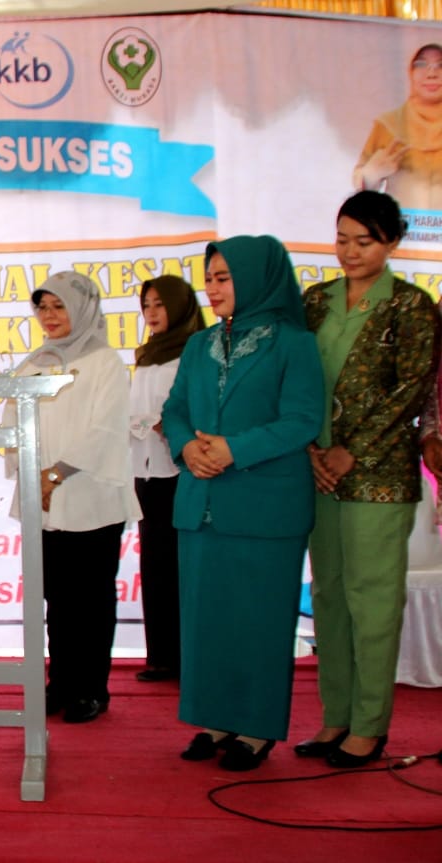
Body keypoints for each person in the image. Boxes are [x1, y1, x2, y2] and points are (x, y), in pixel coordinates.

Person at [163, 236, 324, 771]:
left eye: (224, 278)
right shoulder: (198, 344)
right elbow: (176, 406)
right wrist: (187, 447)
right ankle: (214, 720)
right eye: (209, 278)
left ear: (257, 278)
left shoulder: (293, 343)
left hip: (265, 504)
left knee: (259, 621)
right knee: (208, 619)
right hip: (201, 500)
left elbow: (303, 419)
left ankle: (255, 730)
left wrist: (235, 449)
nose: (212, 288)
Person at [296, 192, 439, 768]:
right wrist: (311, 447)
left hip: (377, 473)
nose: (350, 252)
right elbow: (296, 379)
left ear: (392, 243)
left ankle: (370, 726)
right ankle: (336, 718)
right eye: (342, 239)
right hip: (317, 472)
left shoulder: (412, 306)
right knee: (328, 595)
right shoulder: (314, 302)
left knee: (371, 599)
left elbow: (409, 388)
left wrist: (352, 451)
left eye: (365, 241)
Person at [4, 271, 141, 723]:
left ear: (81, 308)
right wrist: (32, 476)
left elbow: (105, 429)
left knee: (91, 599)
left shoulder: (105, 362)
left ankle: (91, 689)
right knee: (55, 598)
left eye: (59, 306)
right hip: (43, 503)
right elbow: (11, 420)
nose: (49, 317)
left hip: (91, 498)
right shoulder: (34, 363)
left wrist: (55, 473)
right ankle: (59, 682)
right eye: (42, 308)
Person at [130, 276, 206, 684]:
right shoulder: (145, 356)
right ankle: (161, 655)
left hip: (182, 470)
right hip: (146, 470)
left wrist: (174, 426)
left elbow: (201, 407)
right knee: (155, 564)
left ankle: (191, 657)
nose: (153, 313)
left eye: (160, 304)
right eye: (147, 305)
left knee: (185, 566)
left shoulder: (196, 351)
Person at [354, 44, 442, 211]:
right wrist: (371, 176)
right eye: (421, 65)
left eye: (441, 65)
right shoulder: (389, 124)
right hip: (400, 231)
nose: (432, 74)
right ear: (410, 73)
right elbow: (361, 178)